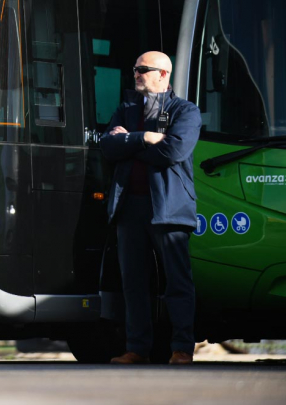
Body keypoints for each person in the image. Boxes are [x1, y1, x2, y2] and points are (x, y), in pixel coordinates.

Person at [99, 51, 201, 365]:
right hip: (130, 208)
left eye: (143, 69)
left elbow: (174, 150)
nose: (136, 73)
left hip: (169, 209)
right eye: (135, 68)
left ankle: (182, 349)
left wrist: (129, 144)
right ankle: (137, 349)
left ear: (163, 74)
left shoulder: (186, 111)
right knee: (133, 284)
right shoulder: (127, 110)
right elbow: (106, 147)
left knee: (177, 282)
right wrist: (144, 137)